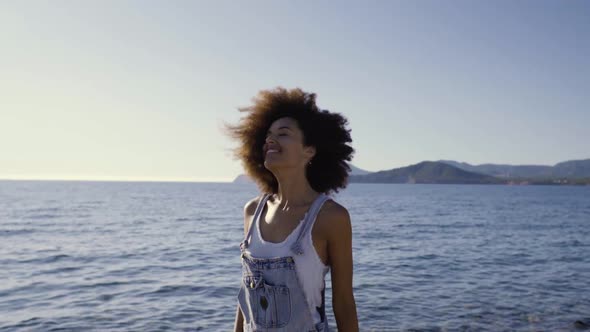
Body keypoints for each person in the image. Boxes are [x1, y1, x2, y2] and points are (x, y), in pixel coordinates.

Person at [226, 87, 359, 331]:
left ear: (309, 151)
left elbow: (343, 304)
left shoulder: (331, 218)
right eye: (267, 135)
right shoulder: (252, 211)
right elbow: (246, 296)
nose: (270, 140)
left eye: (283, 133)